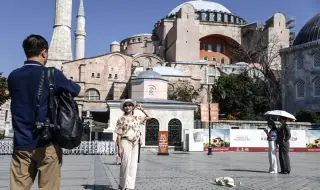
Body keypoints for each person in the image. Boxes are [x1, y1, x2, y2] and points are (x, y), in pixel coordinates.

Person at [8, 34, 80, 189]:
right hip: (47, 143)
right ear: (44, 52)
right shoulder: (52, 74)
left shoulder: (13, 76)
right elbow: (76, 90)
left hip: (21, 143)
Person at [115, 99, 150, 190]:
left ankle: (130, 187)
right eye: (126, 105)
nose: (128, 107)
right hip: (125, 141)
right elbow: (118, 134)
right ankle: (123, 185)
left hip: (136, 143)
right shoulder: (121, 119)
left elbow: (149, 116)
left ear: (132, 107)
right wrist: (120, 147)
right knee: (125, 164)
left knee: (133, 165)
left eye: (130, 105)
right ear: (123, 108)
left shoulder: (136, 118)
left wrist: (142, 109)